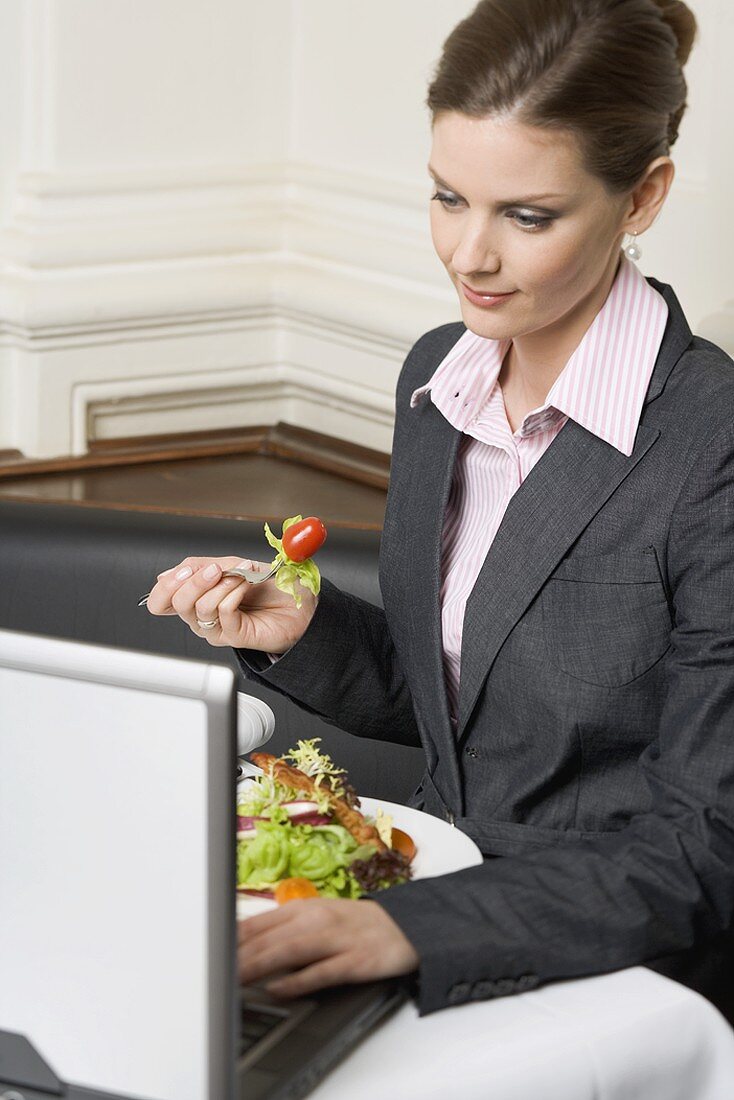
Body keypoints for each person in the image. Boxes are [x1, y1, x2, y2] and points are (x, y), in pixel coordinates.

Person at [146, 0, 734, 1021]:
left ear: (640, 197)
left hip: (614, 960)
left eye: (526, 216)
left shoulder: (708, 440)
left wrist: (410, 929)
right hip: (422, 894)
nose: (467, 255)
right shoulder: (439, 376)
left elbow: (704, 843)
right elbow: (483, 718)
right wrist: (310, 628)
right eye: (446, 197)